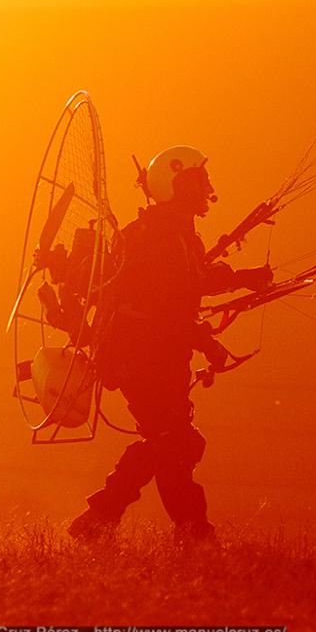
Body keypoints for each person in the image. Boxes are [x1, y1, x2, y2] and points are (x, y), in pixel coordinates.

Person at [68, 145, 272, 543]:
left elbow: (191, 282)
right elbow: (166, 306)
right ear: (176, 187)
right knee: (175, 441)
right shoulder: (159, 237)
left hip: (157, 357)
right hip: (140, 357)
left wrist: (244, 279)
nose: (207, 187)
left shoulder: (176, 232)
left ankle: (187, 532)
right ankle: (105, 517)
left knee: (171, 444)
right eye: (198, 181)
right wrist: (206, 342)